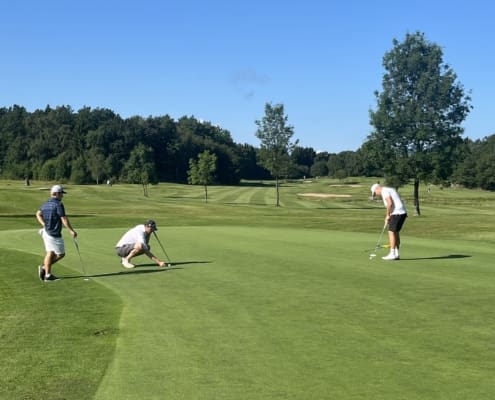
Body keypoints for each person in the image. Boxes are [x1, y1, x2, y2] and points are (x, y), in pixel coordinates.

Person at [36, 185, 77, 281]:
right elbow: (63, 219)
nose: (62, 196)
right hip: (53, 234)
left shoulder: (46, 203)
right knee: (60, 254)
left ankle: (47, 274)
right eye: (61, 194)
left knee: (50, 252)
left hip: (46, 232)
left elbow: (38, 214)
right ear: (56, 194)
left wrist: (44, 224)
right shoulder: (58, 204)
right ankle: (45, 269)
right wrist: (71, 230)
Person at [371, 183, 407, 260]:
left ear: (377, 188)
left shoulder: (384, 191)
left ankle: (392, 253)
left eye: (375, 193)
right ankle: (396, 254)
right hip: (401, 212)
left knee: (391, 232)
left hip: (397, 213)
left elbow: (389, 203)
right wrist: (390, 215)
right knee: (395, 232)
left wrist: (387, 215)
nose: (376, 194)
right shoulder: (389, 189)